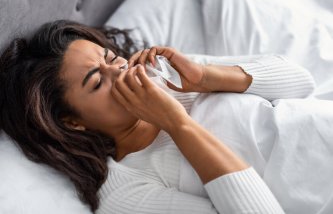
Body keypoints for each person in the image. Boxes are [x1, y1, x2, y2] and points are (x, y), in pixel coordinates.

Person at [0, 20, 315, 213]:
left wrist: (206, 77)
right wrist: (177, 124)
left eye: (111, 58)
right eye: (97, 82)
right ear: (73, 122)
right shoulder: (123, 190)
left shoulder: (167, 75)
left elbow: (302, 83)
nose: (120, 69)